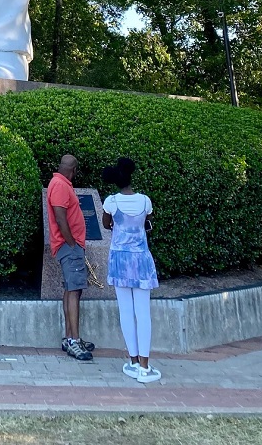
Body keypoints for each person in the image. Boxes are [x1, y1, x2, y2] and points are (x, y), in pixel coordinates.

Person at [101, 157, 161, 383]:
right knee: (143, 312)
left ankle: (133, 360)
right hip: (142, 259)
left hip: (119, 260)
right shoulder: (145, 201)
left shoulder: (111, 202)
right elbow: (148, 220)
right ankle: (145, 366)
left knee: (126, 312)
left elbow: (107, 224)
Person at [47, 153, 95, 361]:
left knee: (71, 289)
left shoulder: (61, 184)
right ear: (74, 170)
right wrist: (72, 243)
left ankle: (70, 337)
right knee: (74, 291)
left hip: (70, 246)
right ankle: (74, 341)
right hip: (69, 247)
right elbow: (60, 217)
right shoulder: (59, 185)